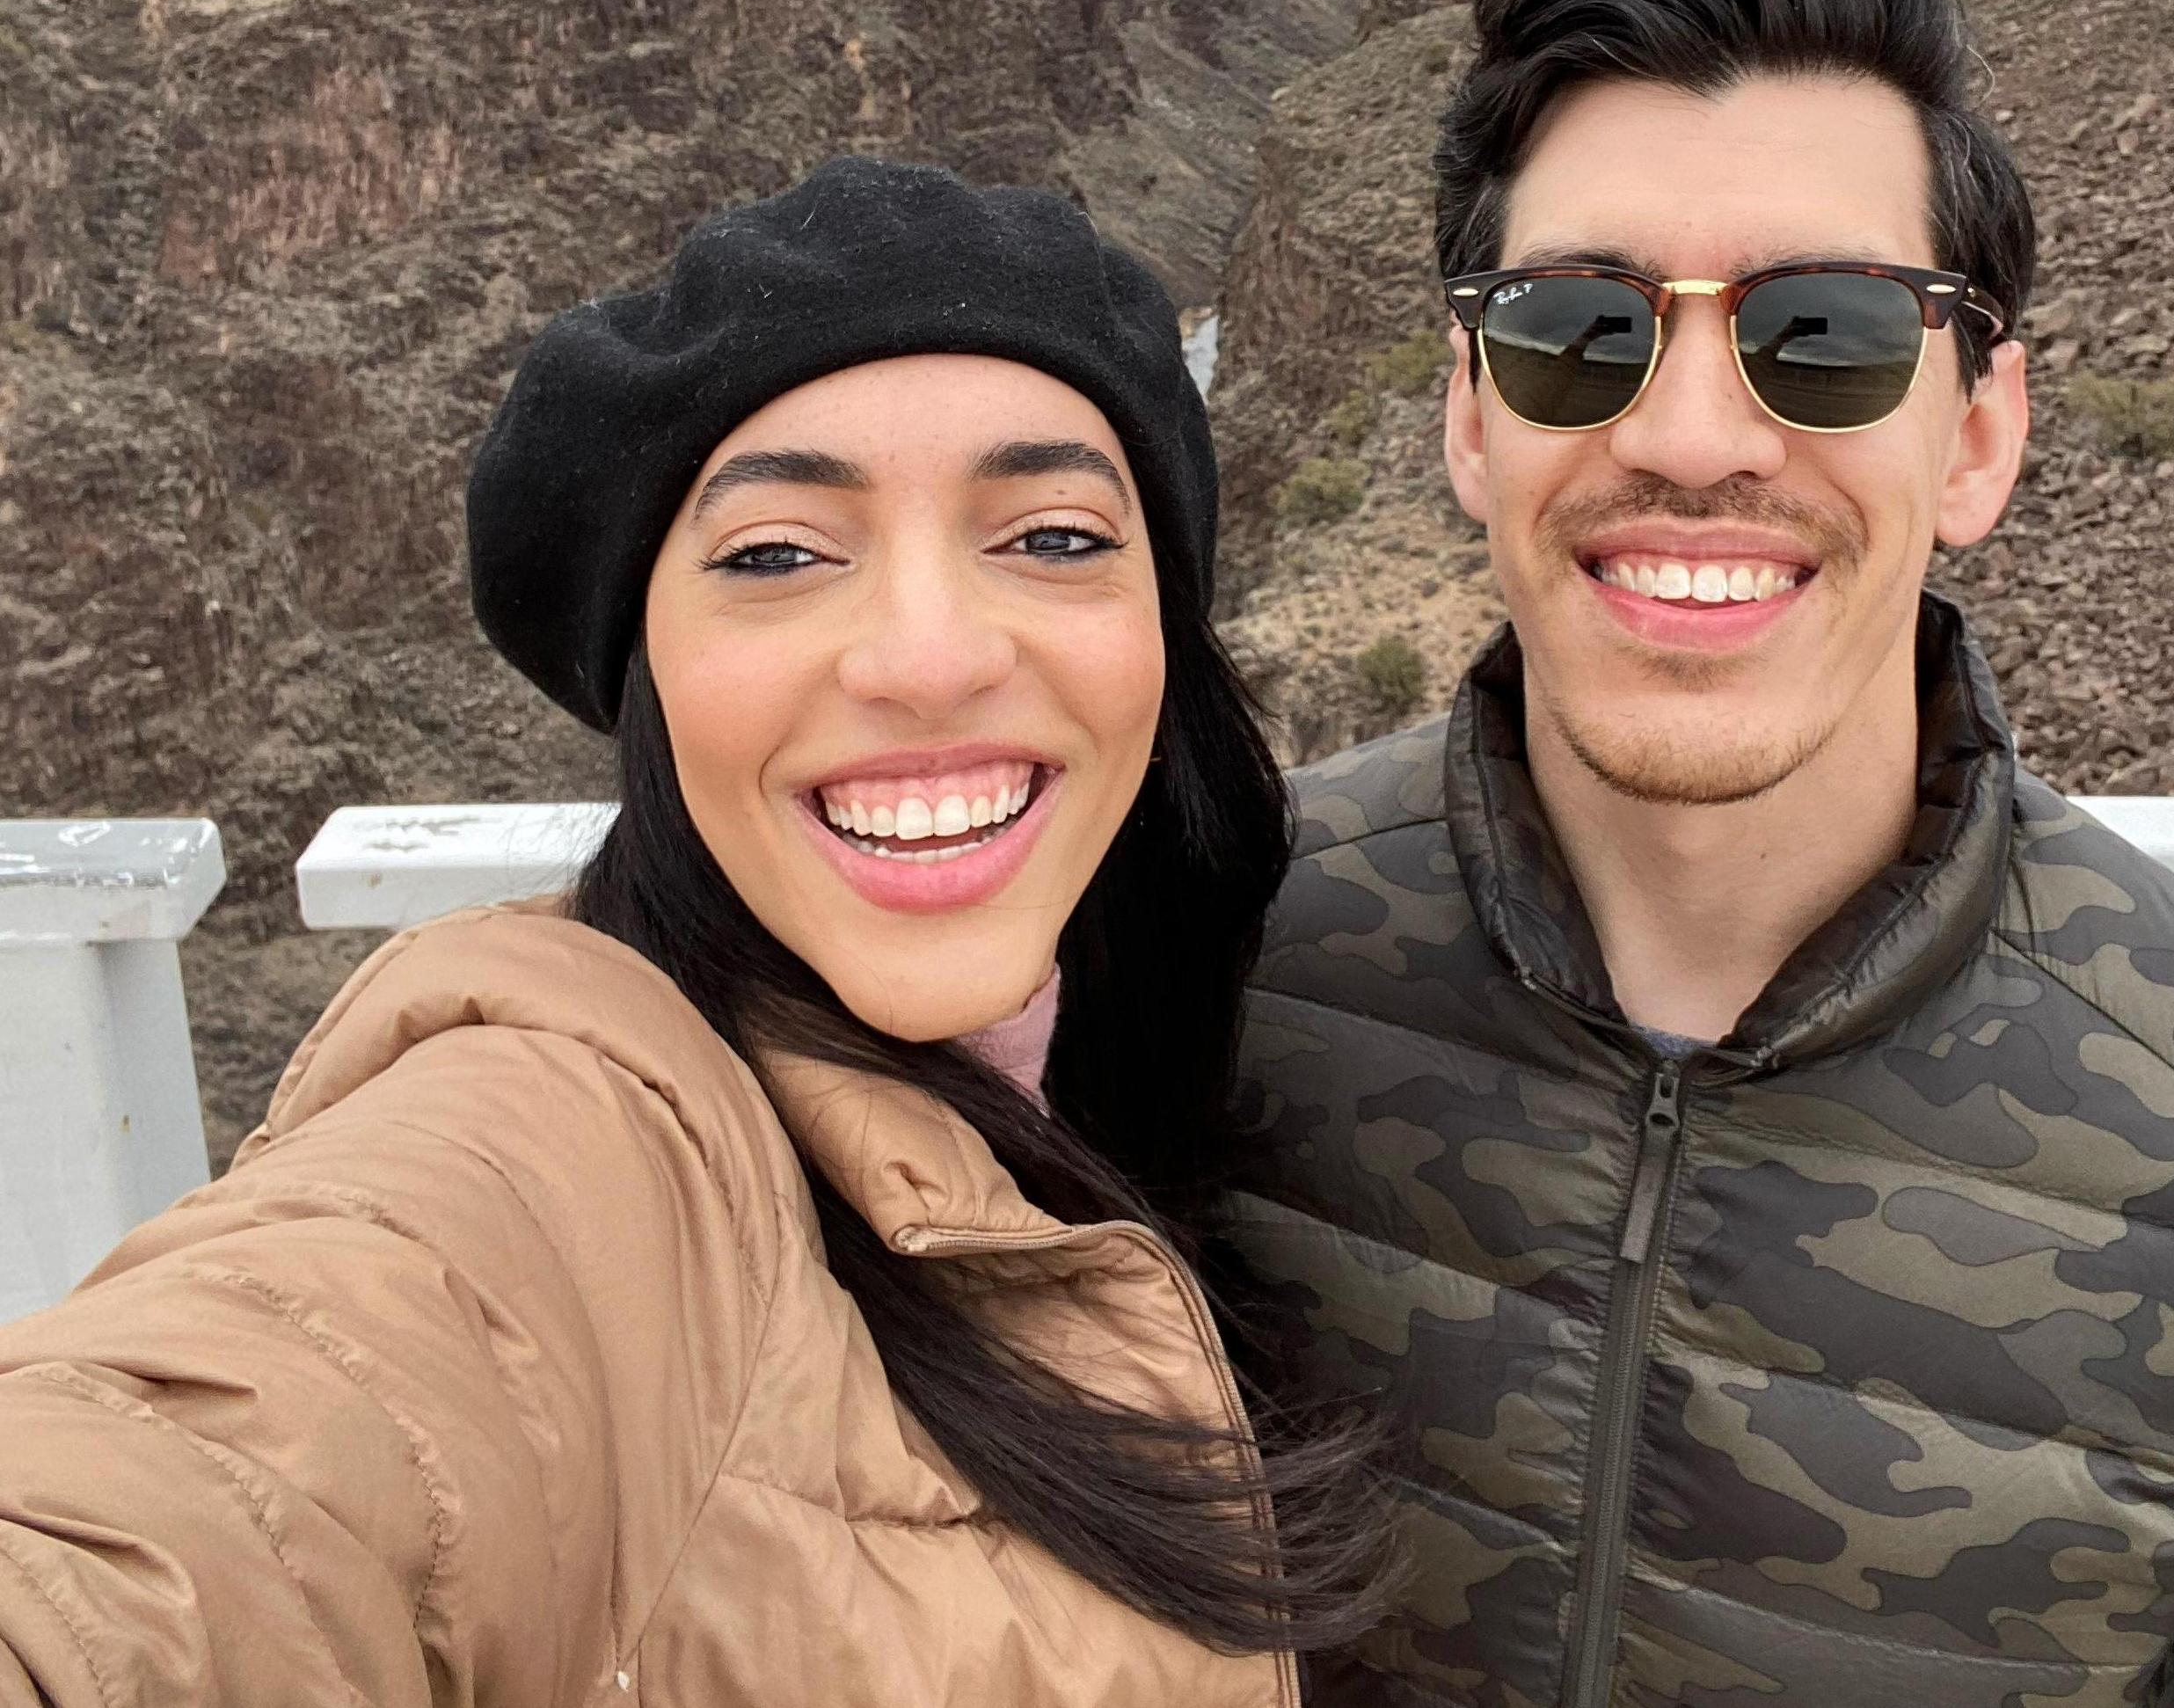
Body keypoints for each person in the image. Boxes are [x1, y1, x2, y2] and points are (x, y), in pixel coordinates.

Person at [1231, 0, 2174, 1704]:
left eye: (1825, 331)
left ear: (1976, 435)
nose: (1691, 434)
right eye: (1579, 328)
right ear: (1472, 419)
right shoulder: (1198, 969)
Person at [0, 158, 1372, 1706]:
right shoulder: (555, 1146)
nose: (928, 657)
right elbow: (185, 1509)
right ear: (644, 666)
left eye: (1052, 535)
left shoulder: (1182, 1056)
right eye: (777, 553)